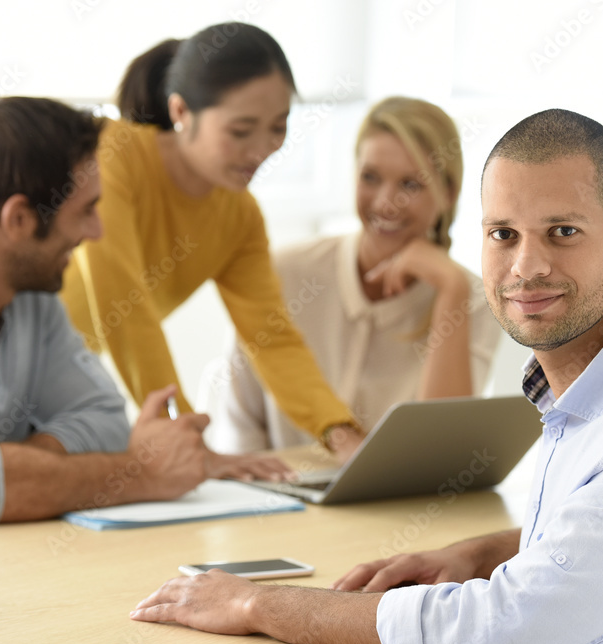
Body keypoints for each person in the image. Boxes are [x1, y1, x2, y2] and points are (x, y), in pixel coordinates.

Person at [129, 109, 603, 644]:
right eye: (503, 234)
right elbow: (600, 534)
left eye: (562, 231)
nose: (526, 266)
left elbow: (495, 635)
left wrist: (258, 605)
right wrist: (483, 551)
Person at [0, 96, 288, 526]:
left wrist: (4, 470)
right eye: (85, 211)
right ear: (20, 220)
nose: (97, 231)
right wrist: (143, 473)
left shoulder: (31, 298)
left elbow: (106, 421)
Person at [59, 23, 363, 457]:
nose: (261, 151)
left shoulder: (241, 217)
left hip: (54, 365)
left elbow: (271, 337)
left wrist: (340, 433)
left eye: (278, 127)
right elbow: (122, 305)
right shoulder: (116, 157)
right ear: (181, 112)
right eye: (240, 131)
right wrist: (185, 435)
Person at [206, 97, 502, 456]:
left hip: (398, 510)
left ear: (448, 194)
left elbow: (440, 455)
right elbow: (238, 428)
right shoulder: (282, 274)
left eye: (410, 184)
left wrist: (451, 289)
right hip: (275, 499)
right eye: (370, 177)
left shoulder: (473, 300)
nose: (384, 202)